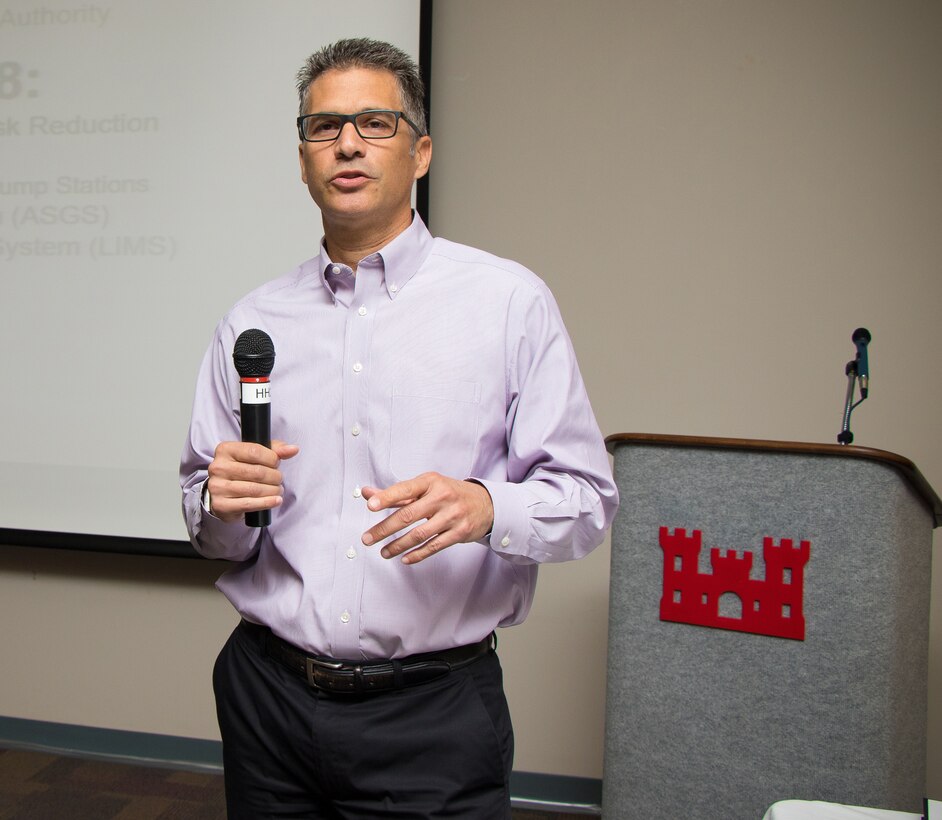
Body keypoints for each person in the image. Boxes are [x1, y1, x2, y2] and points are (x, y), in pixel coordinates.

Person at [180, 37, 618, 819]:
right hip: (267, 701)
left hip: (433, 716)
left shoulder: (508, 304)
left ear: (420, 153)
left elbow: (587, 501)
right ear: (304, 158)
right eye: (323, 128)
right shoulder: (251, 321)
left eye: (374, 124)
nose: (346, 143)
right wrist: (218, 506)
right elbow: (215, 530)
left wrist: (489, 506)